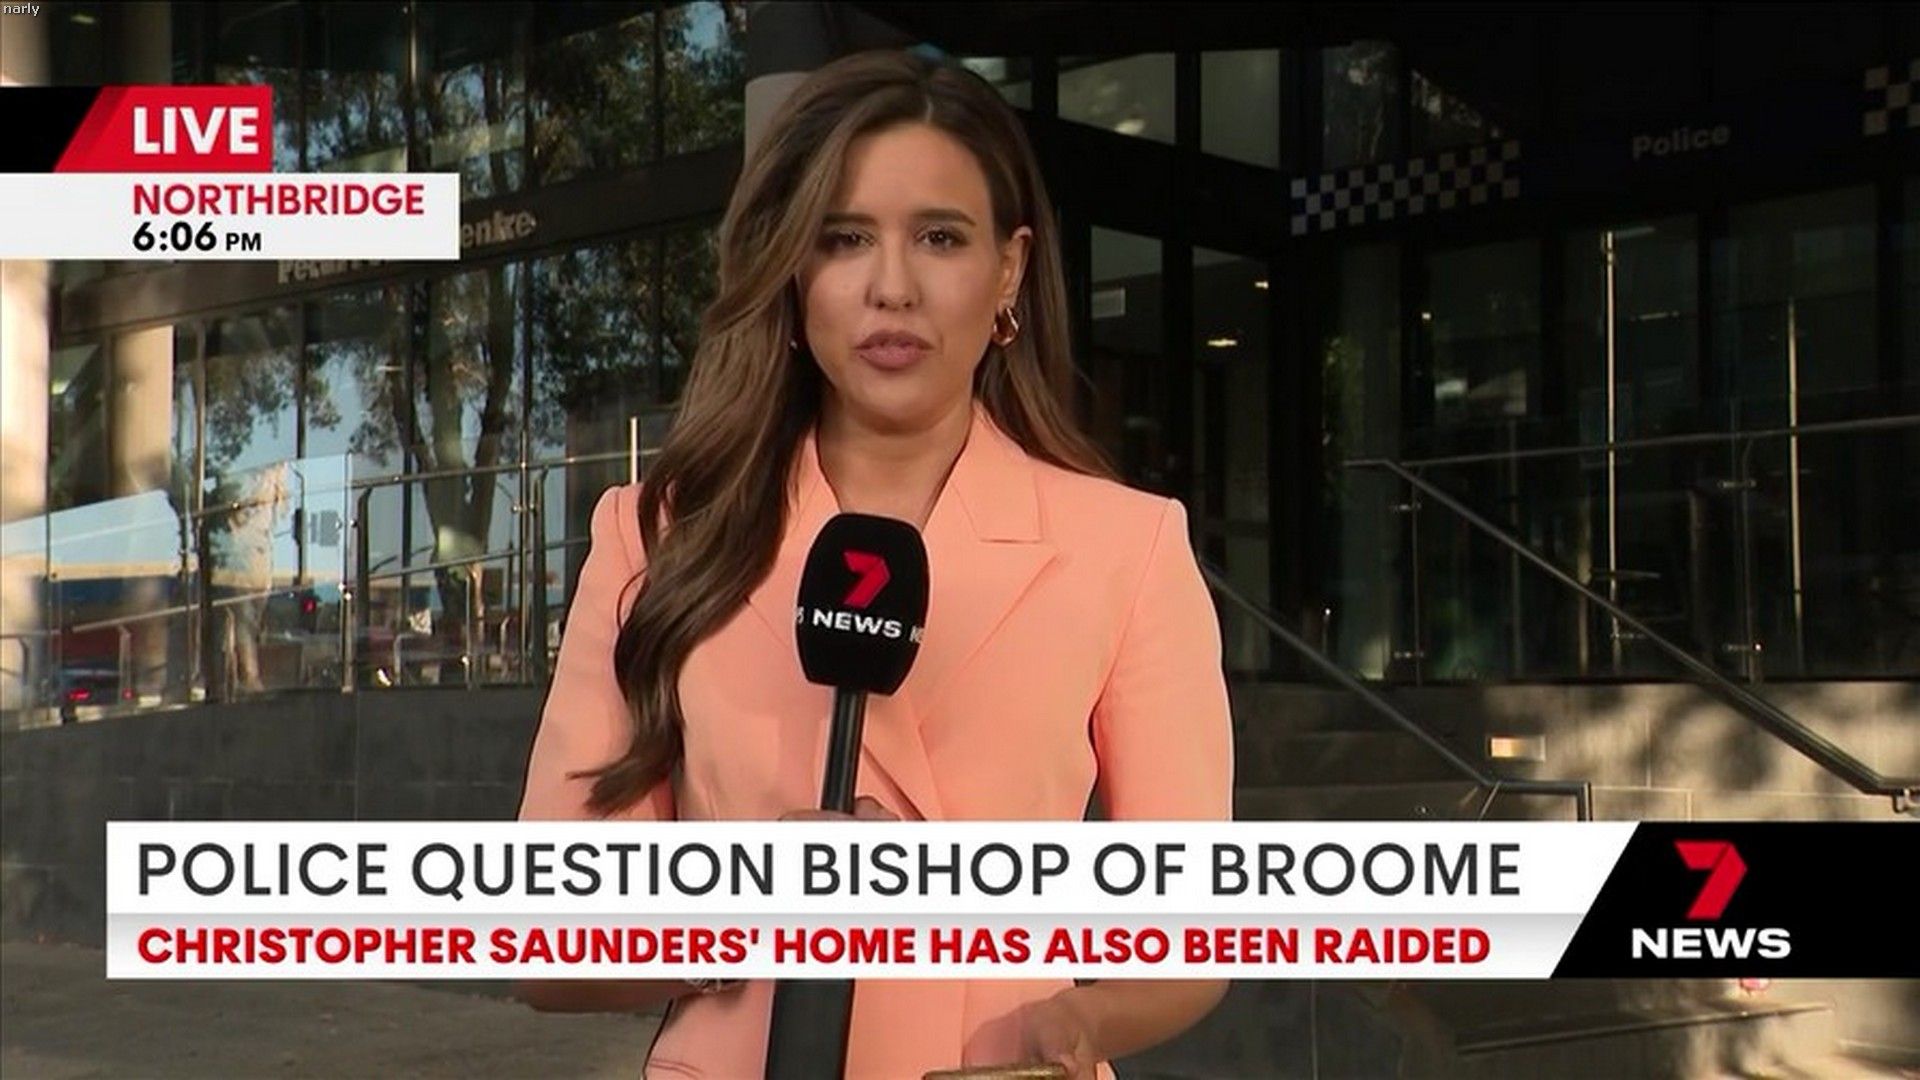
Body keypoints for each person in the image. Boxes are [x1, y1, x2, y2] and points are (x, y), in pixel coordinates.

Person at [515, 49, 1233, 1080]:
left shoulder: (1127, 548)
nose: (891, 288)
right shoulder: (658, 535)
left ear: (1009, 271)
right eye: (844, 238)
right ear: (791, 268)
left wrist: (1078, 1021)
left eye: (940, 237)